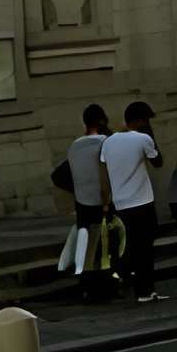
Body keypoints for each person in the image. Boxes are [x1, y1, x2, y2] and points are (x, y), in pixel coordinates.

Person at [101, 101, 165, 304]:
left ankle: (137, 287)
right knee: (145, 248)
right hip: (142, 201)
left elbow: (104, 172)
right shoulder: (143, 139)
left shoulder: (108, 142)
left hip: (121, 203)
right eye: (147, 121)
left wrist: (106, 200)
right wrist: (151, 135)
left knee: (130, 247)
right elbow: (158, 162)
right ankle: (145, 289)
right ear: (140, 121)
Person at [61, 104, 114, 301]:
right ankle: (107, 286)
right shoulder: (105, 142)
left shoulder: (74, 146)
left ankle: (88, 287)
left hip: (82, 203)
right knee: (105, 246)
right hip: (103, 201)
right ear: (102, 121)